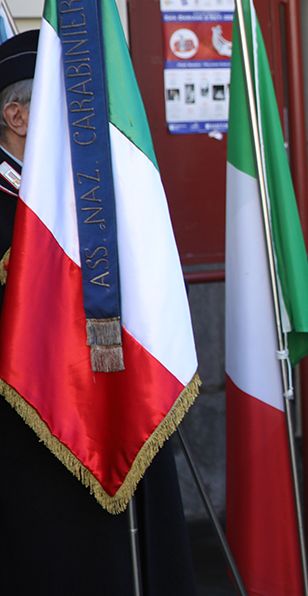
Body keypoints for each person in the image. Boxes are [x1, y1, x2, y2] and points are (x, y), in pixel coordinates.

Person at [0, 29, 197, 594]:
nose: (84, 121)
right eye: (68, 103)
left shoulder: (97, 193)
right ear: (17, 116)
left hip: (119, 404)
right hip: (33, 432)